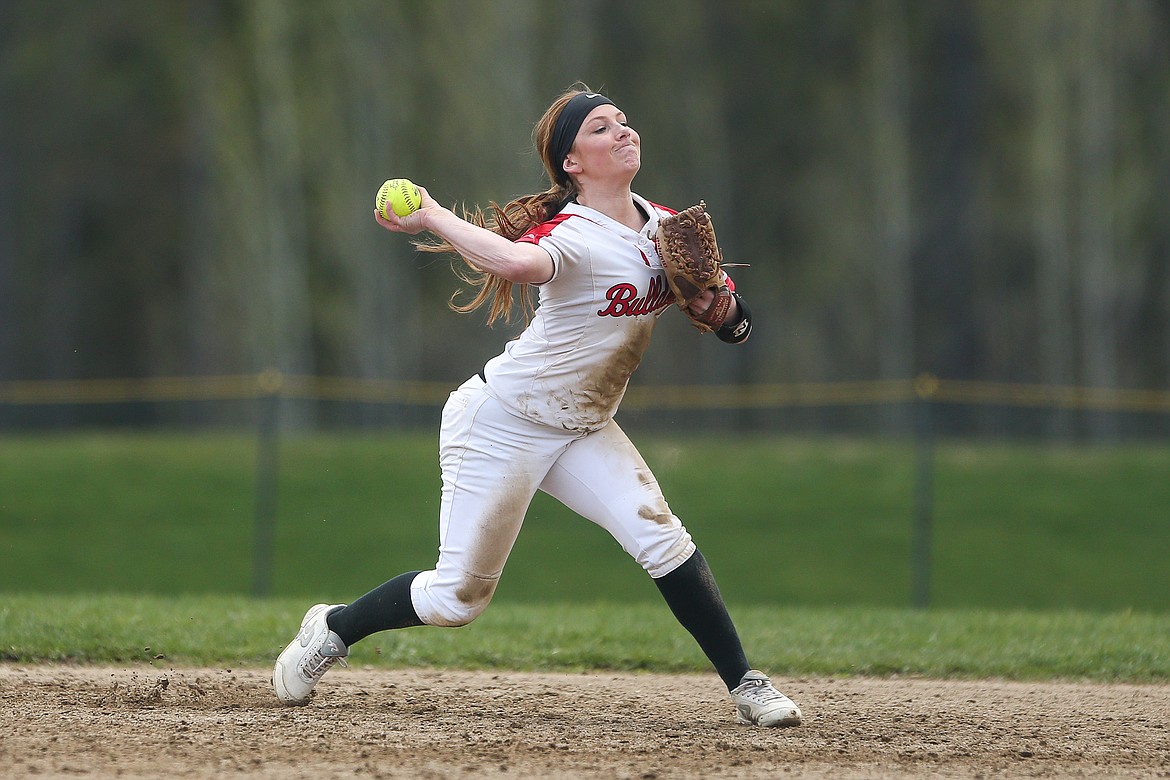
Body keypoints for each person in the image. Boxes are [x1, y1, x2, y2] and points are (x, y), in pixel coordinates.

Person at [272, 84, 802, 728]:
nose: (623, 132)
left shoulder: (667, 227)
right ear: (572, 163)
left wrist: (725, 313)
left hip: (585, 426)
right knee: (458, 597)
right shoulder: (574, 234)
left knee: (662, 539)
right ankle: (332, 628)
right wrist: (435, 215)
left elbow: (731, 315)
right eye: (602, 128)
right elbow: (520, 265)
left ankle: (745, 683)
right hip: (503, 423)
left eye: (624, 122)